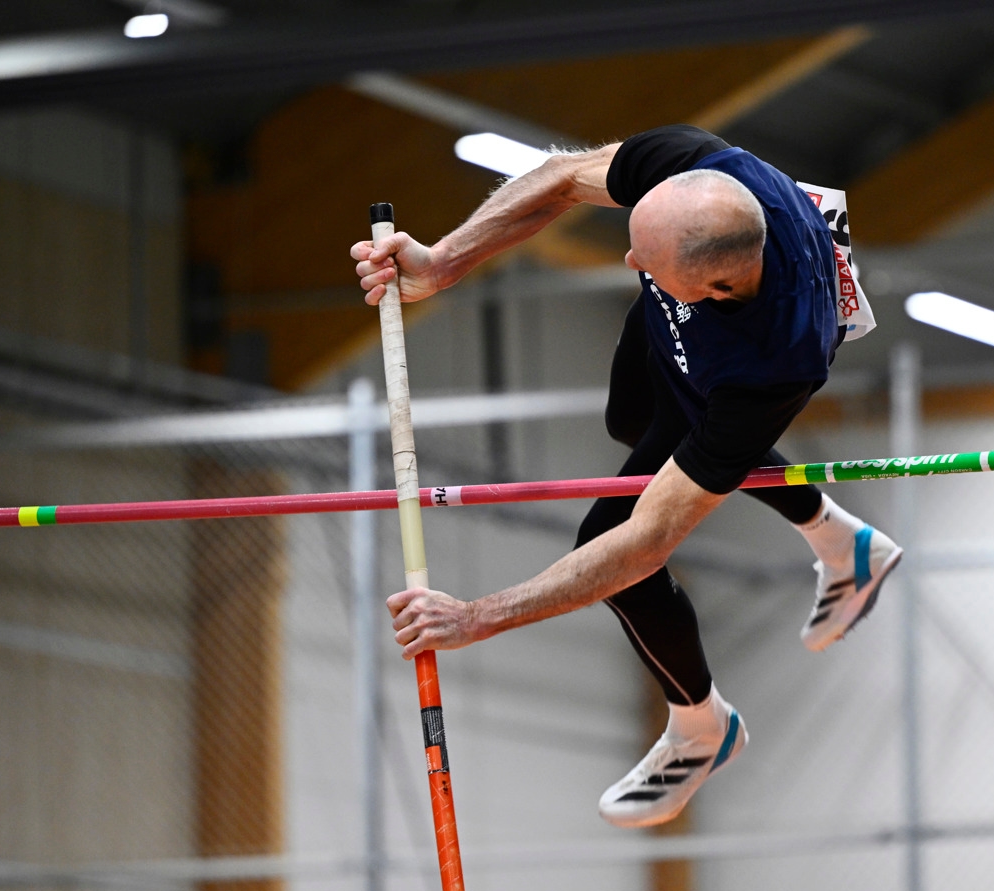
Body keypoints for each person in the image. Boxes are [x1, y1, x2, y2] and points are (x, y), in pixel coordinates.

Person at [351, 124, 901, 828]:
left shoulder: (775, 363)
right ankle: (840, 540)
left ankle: (702, 726)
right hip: (692, 319)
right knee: (634, 422)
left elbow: (644, 544)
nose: (627, 255)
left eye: (646, 257)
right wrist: (442, 261)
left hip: (737, 359)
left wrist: (477, 618)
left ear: (717, 284)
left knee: (614, 538)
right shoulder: (699, 164)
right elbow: (559, 177)